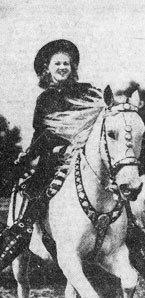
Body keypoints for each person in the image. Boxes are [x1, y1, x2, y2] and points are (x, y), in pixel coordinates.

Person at [0, 39, 100, 269]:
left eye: (67, 63)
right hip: (55, 158)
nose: (63, 67)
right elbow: (40, 134)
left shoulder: (88, 91)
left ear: (73, 67)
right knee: (35, 188)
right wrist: (28, 156)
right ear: (48, 68)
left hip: (86, 156)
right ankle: (22, 231)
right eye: (58, 64)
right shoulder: (45, 98)